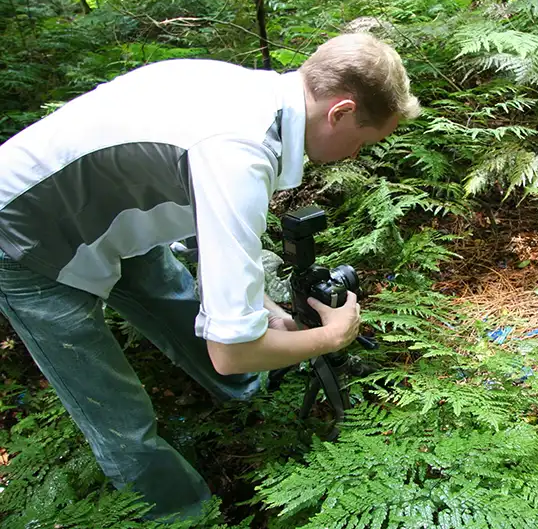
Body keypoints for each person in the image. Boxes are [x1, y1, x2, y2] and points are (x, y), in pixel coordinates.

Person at [0, 33, 421, 519]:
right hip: (22, 234)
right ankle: (186, 516)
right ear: (341, 112)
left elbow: (200, 217)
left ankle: (248, 409)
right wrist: (331, 337)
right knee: (118, 416)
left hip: (112, 214)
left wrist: (261, 311)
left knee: (175, 298)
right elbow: (231, 351)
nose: (355, 155)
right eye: (365, 141)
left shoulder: (244, 95)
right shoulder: (237, 154)